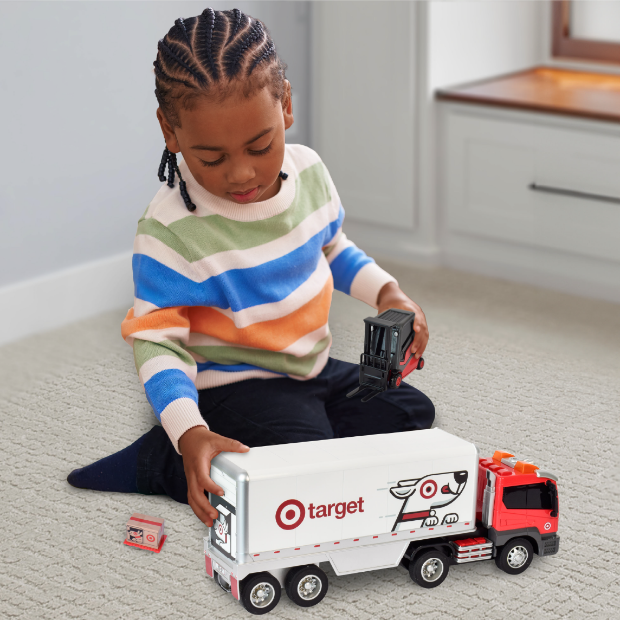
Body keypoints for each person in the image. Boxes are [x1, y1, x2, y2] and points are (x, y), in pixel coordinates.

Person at [67, 8, 434, 527]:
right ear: (170, 131)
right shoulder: (170, 229)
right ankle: (165, 459)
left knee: (411, 414)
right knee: (308, 470)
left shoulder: (309, 170)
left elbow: (333, 249)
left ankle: (295, 439)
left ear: (285, 104)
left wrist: (390, 294)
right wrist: (189, 429)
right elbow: (159, 342)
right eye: (211, 159)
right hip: (234, 386)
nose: (242, 174)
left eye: (260, 147)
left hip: (311, 368)